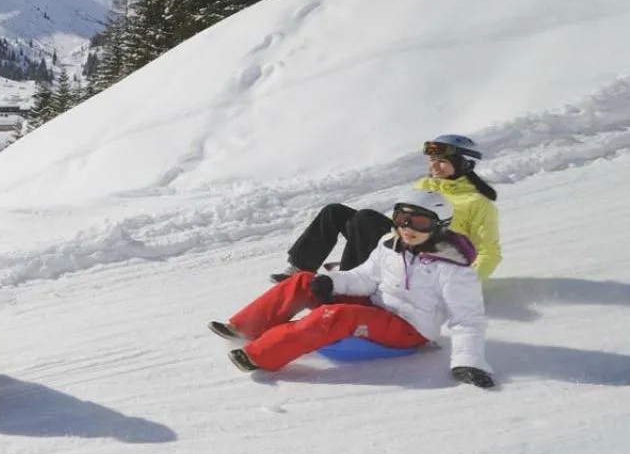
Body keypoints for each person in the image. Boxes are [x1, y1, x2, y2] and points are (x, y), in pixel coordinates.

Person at [212, 191, 495, 388]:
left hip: (409, 329)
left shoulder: (453, 268)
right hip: (377, 306)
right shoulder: (390, 244)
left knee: (336, 316)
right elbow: (365, 276)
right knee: (305, 280)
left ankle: (259, 355)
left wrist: (468, 362)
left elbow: (467, 318)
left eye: (419, 222)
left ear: (439, 226)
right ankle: (245, 327)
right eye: (401, 219)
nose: (407, 228)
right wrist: (332, 282)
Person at [271, 133, 502, 283]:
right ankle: (300, 270)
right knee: (335, 212)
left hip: (425, 260)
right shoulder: (424, 185)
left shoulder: (476, 203)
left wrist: (463, 285)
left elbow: (489, 253)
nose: (435, 165)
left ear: (465, 165)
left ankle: (348, 282)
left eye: (442, 161)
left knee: (365, 219)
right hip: (402, 244)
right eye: (432, 160)